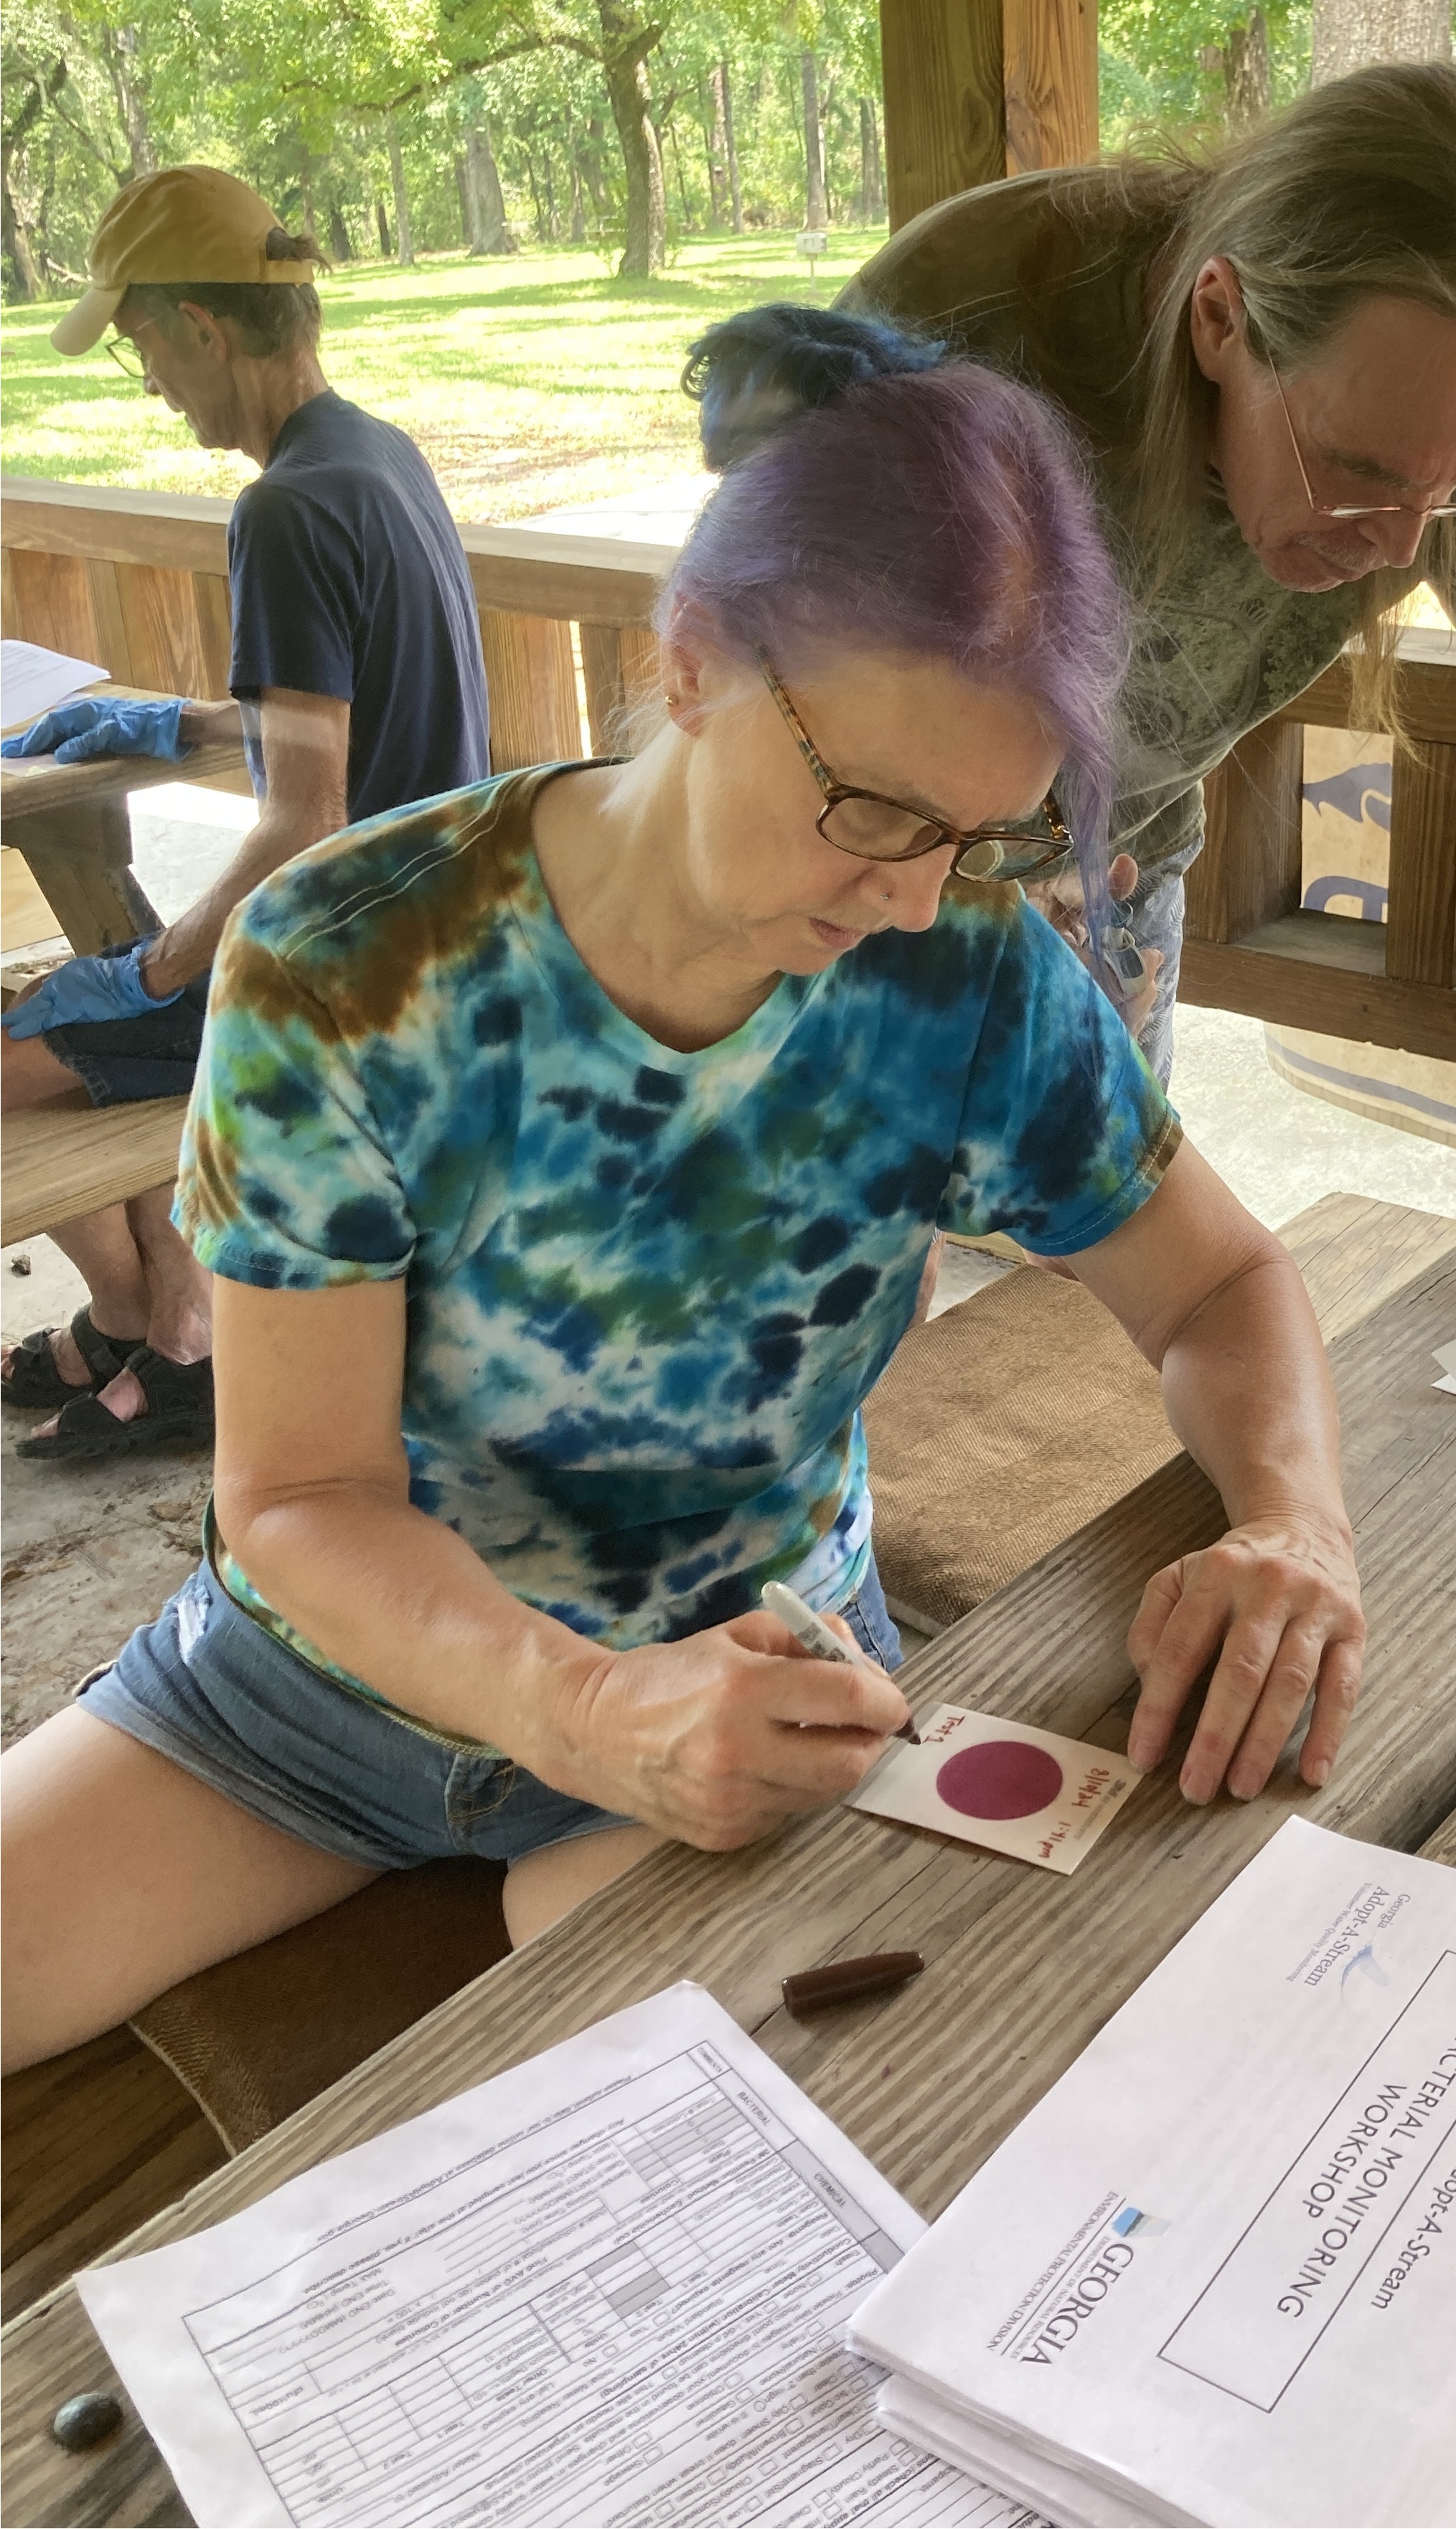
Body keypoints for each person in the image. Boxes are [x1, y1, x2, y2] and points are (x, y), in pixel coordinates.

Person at [0, 315, 1362, 2074]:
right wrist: (575, 1708)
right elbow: (300, 1499)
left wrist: (1294, 1523)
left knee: (797, 2132)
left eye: (988, 830)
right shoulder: (354, 962)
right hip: (324, 1686)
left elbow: (1219, 1287)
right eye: (870, 806)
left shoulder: (968, 969)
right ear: (698, 659)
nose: (913, 892)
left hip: (755, 1683)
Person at [837, 62, 1456, 1400]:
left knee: (1099, 1333)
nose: (1401, 543)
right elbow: (777, 721)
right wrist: (950, 891)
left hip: (1121, 867)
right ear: (1221, 317)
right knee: (849, 1301)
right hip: (860, 863)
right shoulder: (966, 337)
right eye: (1362, 472)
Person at [0, 164, 489, 1458]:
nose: (149, 378)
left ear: (202, 326)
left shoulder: (283, 506)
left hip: (347, 978)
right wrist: (178, 723)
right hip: (439, 925)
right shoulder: (376, 454)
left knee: (19, 1052)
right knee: (78, 991)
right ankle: (160, 1323)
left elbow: (304, 818)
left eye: (141, 343)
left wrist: (158, 968)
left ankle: (164, 1331)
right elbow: (339, 712)